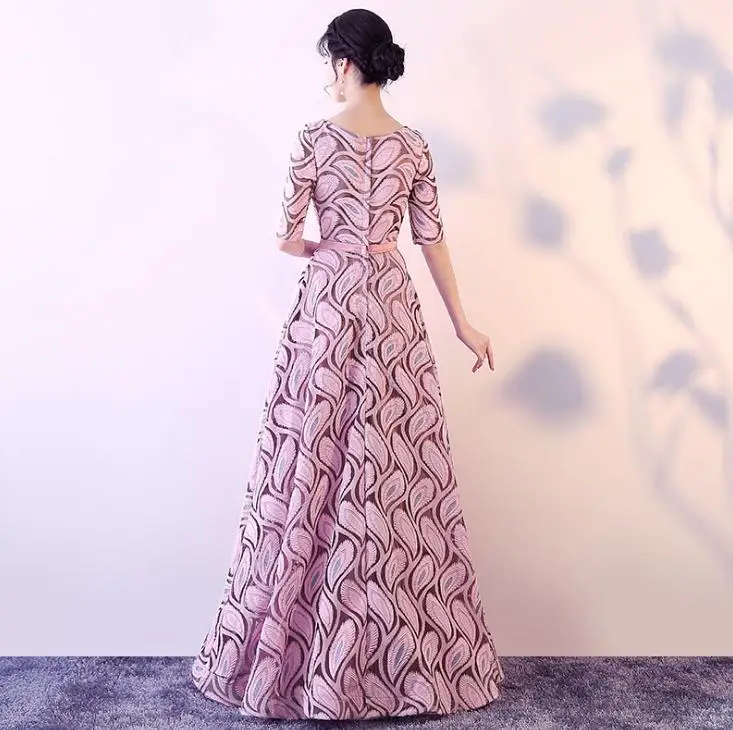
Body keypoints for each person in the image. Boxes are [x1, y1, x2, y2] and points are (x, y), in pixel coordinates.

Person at [190, 8, 505, 721]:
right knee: (394, 473)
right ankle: (403, 665)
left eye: (328, 65)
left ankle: (300, 662)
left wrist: (329, 251)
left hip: (329, 308)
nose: (327, 78)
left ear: (342, 62)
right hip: (391, 307)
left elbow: (284, 237)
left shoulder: (313, 139)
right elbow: (431, 241)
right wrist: (463, 323)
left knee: (311, 463)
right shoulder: (413, 146)